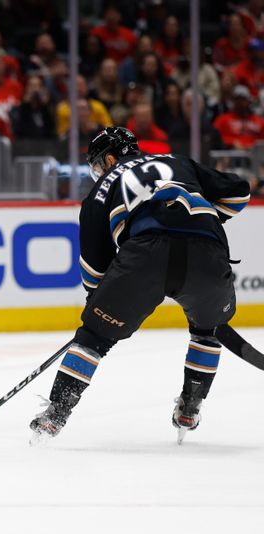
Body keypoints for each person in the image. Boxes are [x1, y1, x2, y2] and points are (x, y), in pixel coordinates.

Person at [30, 127, 251, 443]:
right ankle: (190, 407)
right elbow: (239, 192)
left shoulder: (100, 192)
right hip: (209, 252)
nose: (97, 173)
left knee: (93, 338)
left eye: (97, 166)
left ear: (109, 158)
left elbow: (95, 270)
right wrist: (199, 219)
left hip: (146, 256)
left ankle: (55, 414)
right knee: (207, 330)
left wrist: (98, 311)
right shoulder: (180, 162)